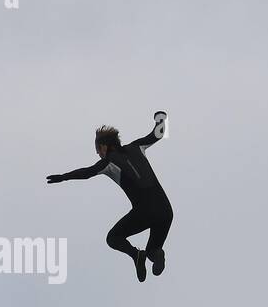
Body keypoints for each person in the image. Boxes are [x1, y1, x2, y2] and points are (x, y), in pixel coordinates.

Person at [46, 111, 173, 282]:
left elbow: (86, 173)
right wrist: (161, 119)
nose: (98, 154)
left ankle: (136, 255)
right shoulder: (137, 147)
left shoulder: (108, 163)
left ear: (104, 146)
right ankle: (155, 255)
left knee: (113, 238)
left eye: (97, 150)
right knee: (153, 251)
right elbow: (158, 134)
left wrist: (63, 176)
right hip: (166, 210)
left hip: (145, 211)